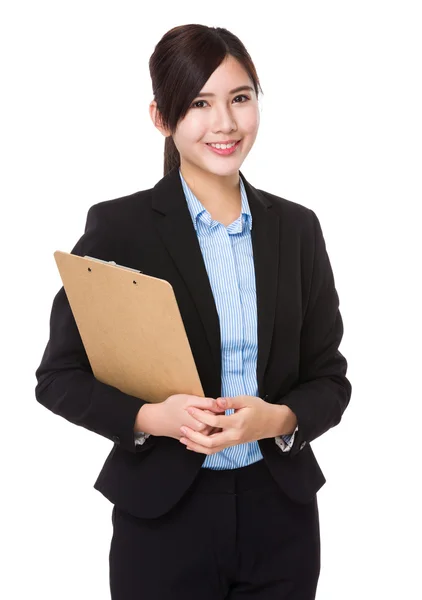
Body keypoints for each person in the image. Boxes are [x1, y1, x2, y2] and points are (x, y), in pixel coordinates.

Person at [35, 23, 352, 600]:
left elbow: (331, 380)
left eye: (240, 98)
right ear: (161, 116)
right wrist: (155, 417)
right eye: (200, 103)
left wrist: (276, 421)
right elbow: (58, 378)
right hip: (163, 518)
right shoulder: (120, 228)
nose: (225, 123)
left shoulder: (297, 229)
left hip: (281, 517)